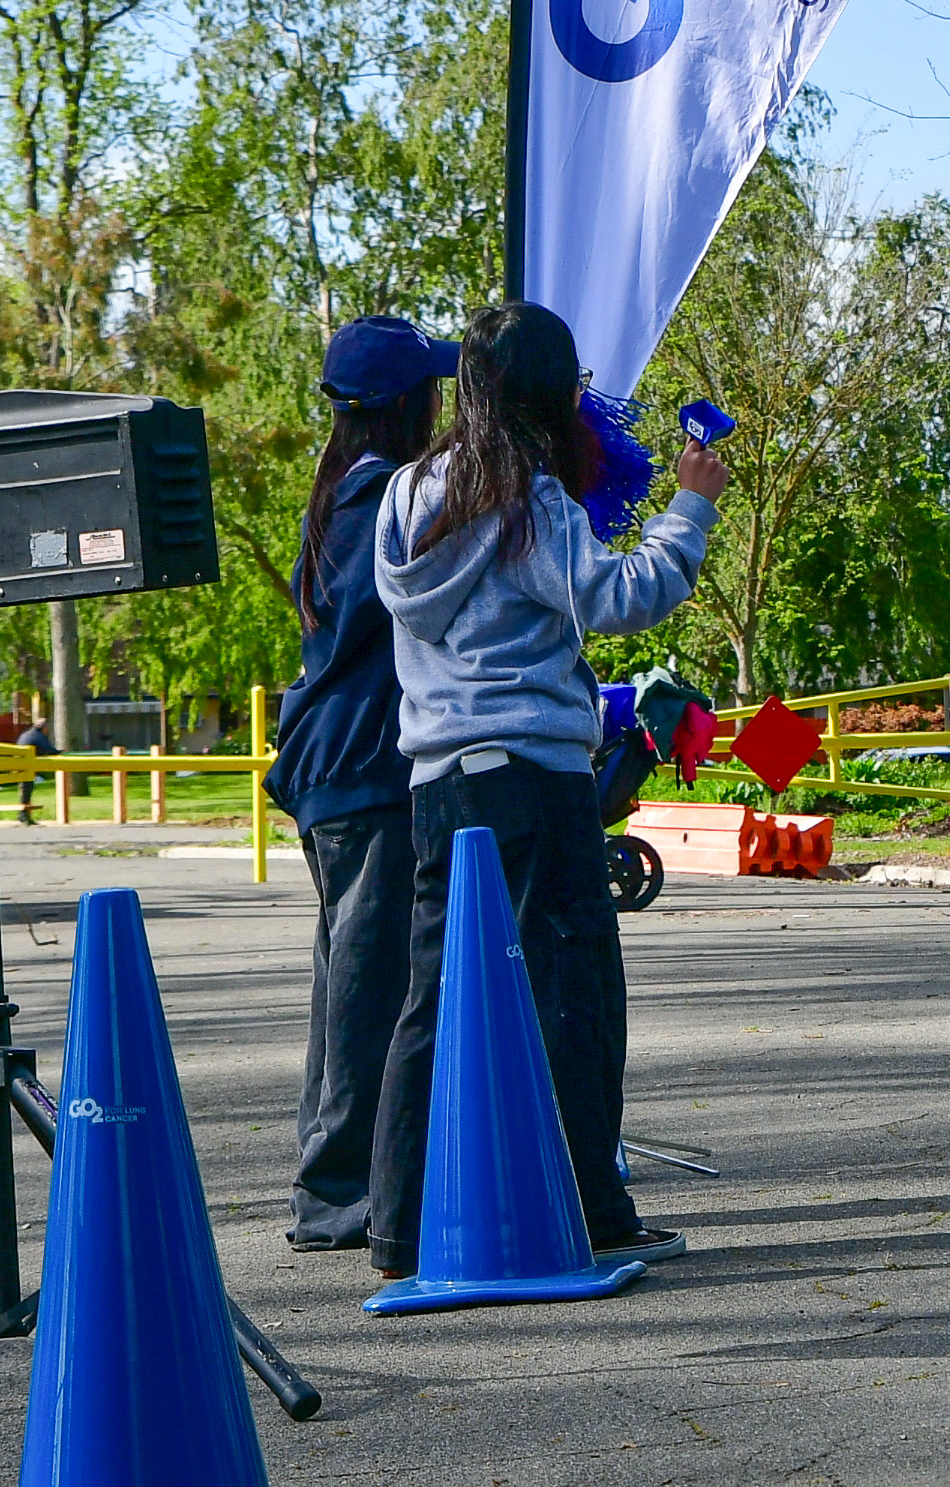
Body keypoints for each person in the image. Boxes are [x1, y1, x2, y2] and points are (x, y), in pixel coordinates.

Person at [368, 303, 720, 1276]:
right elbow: (620, 597)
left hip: (438, 778)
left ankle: (398, 1224)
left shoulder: (408, 493)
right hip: (533, 771)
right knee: (573, 991)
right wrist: (690, 504)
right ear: (553, 392)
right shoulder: (524, 494)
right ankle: (595, 1211)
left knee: (434, 995)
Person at [269, 315, 455, 1251]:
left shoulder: (345, 483)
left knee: (347, 976)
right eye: (436, 389)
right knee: (366, 987)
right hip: (360, 764)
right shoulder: (385, 492)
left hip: (334, 761)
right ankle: (337, 1188)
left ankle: (335, 1173)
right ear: (404, 405)